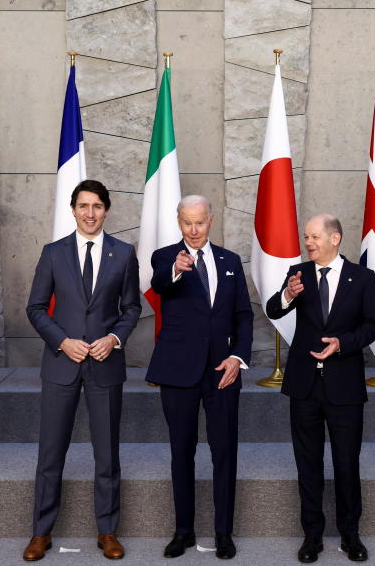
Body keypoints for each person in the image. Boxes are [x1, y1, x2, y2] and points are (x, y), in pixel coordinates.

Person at [22, 180, 141, 561]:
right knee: (50, 454)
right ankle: (41, 532)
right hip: (62, 364)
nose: (90, 213)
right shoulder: (53, 253)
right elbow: (36, 308)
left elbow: (132, 309)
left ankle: (107, 531)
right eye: (83, 206)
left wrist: (114, 339)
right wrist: (62, 341)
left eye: (97, 206)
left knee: (107, 454)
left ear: (107, 210)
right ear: (73, 209)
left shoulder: (123, 253)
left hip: (105, 366)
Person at [265, 214, 375, 563]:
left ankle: (351, 536)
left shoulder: (361, 278)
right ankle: (312, 538)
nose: (308, 243)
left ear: (335, 238)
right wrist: (287, 294)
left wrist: (343, 344)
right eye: (306, 237)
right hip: (304, 387)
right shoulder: (298, 274)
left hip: (344, 387)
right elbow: (273, 309)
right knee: (308, 466)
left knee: (346, 464)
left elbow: (373, 324)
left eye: (315, 236)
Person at [145, 195, 252, 560]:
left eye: (200, 222)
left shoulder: (231, 261)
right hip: (178, 373)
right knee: (181, 453)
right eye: (187, 222)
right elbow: (160, 285)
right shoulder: (165, 257)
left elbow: (243, 317)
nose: (193, 229)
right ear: (179, 221)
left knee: (225, 453)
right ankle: (183, 531)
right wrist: (176, 269)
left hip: (222, 372)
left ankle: (224, 533)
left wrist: (238, 357)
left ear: (211, 220)